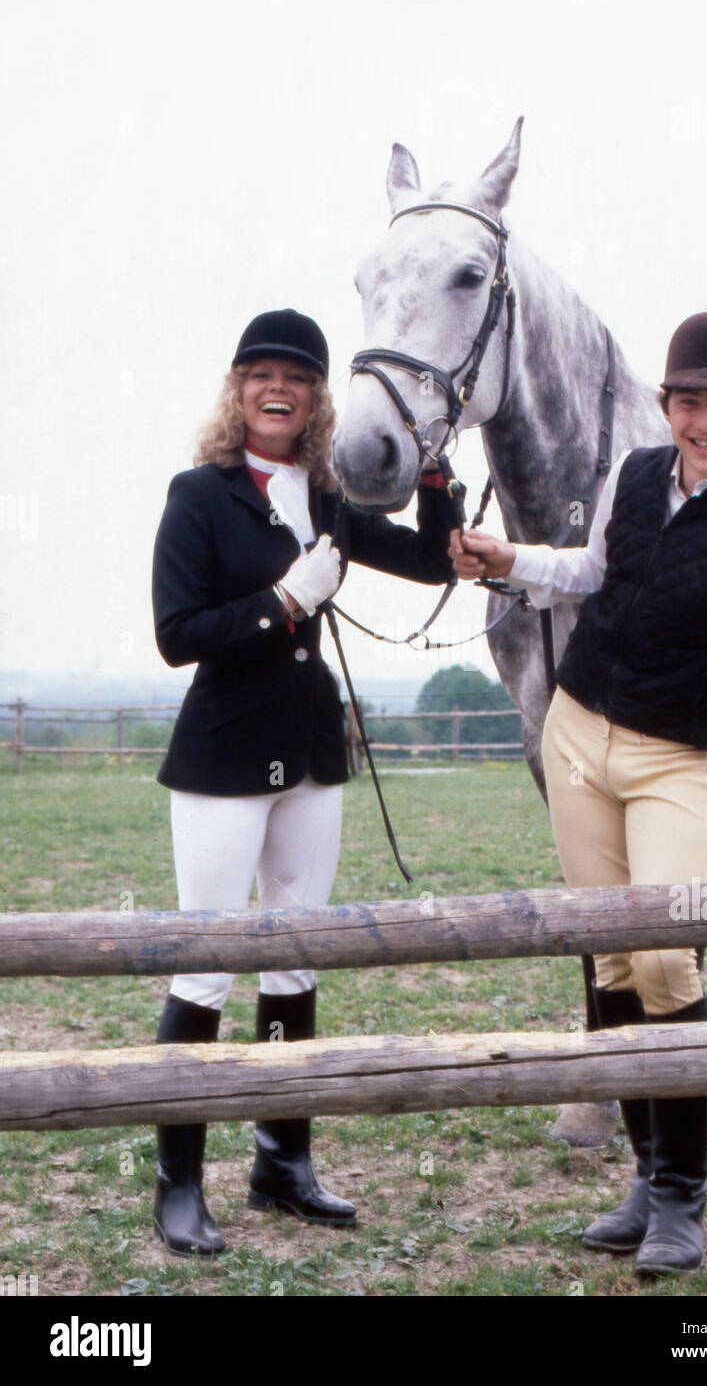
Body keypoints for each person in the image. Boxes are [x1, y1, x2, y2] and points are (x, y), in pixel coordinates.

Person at [449, 306, 707, 1277]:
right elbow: (594, 571)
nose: (705, 420)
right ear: (664, 404)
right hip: (575, 735)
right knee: (609, 957)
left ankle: (683, 1198)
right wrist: (513, 562)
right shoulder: (633, 473)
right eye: (688, 400)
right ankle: (647, 1177)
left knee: (665, 961)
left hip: (671, 759)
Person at [151, 307, 456, 1256]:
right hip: (223, 755)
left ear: (318, 397)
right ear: (238, 389)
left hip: (311, 752)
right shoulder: (198, 495)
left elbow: (426, 558)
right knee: (207, 961)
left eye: (297, 377)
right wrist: (283, 603)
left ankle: (283, 1157)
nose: (277, 390)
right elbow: (177, 634)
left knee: (296, 959)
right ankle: (179, 1180)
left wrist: (437, 471)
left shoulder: (325, 498)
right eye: (260, 375)